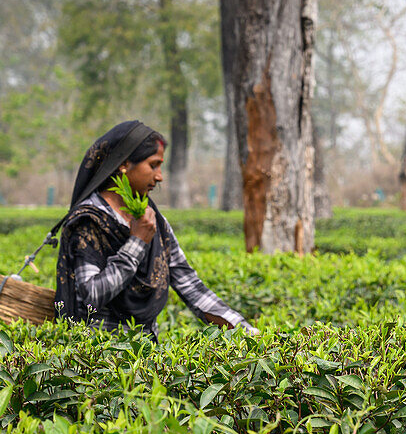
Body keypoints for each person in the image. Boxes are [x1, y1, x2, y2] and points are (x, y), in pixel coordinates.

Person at [55, 120, 259, 338]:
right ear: (124, 165)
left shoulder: (151, 217)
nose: (160, 176)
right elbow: (92, 296)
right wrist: (136, 242)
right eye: (153, 165)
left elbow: (189, 284)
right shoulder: (89, 221)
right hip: (97, 357)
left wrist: (245, 331)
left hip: (144, 355)